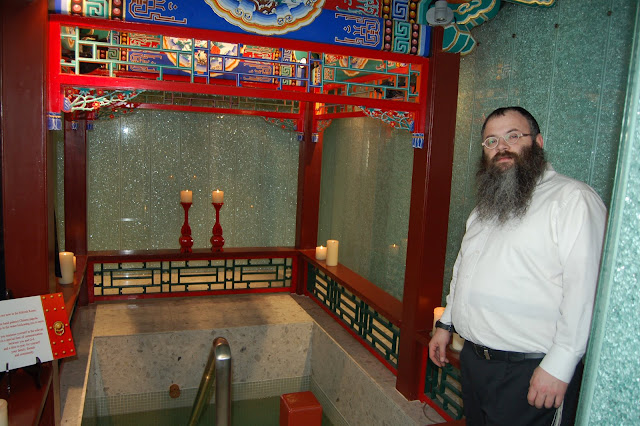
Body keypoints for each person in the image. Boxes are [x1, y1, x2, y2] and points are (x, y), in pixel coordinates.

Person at [428, 106, 607, 426]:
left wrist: (559, 365)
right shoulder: (486, 208)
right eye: (491, 141)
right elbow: (464, 272)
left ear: (538, 143)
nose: (502, 147)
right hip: (476, 362)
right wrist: (446, 325)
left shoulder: (572, 199)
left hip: (530, 371)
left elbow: (587, 290)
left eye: (513, 136)